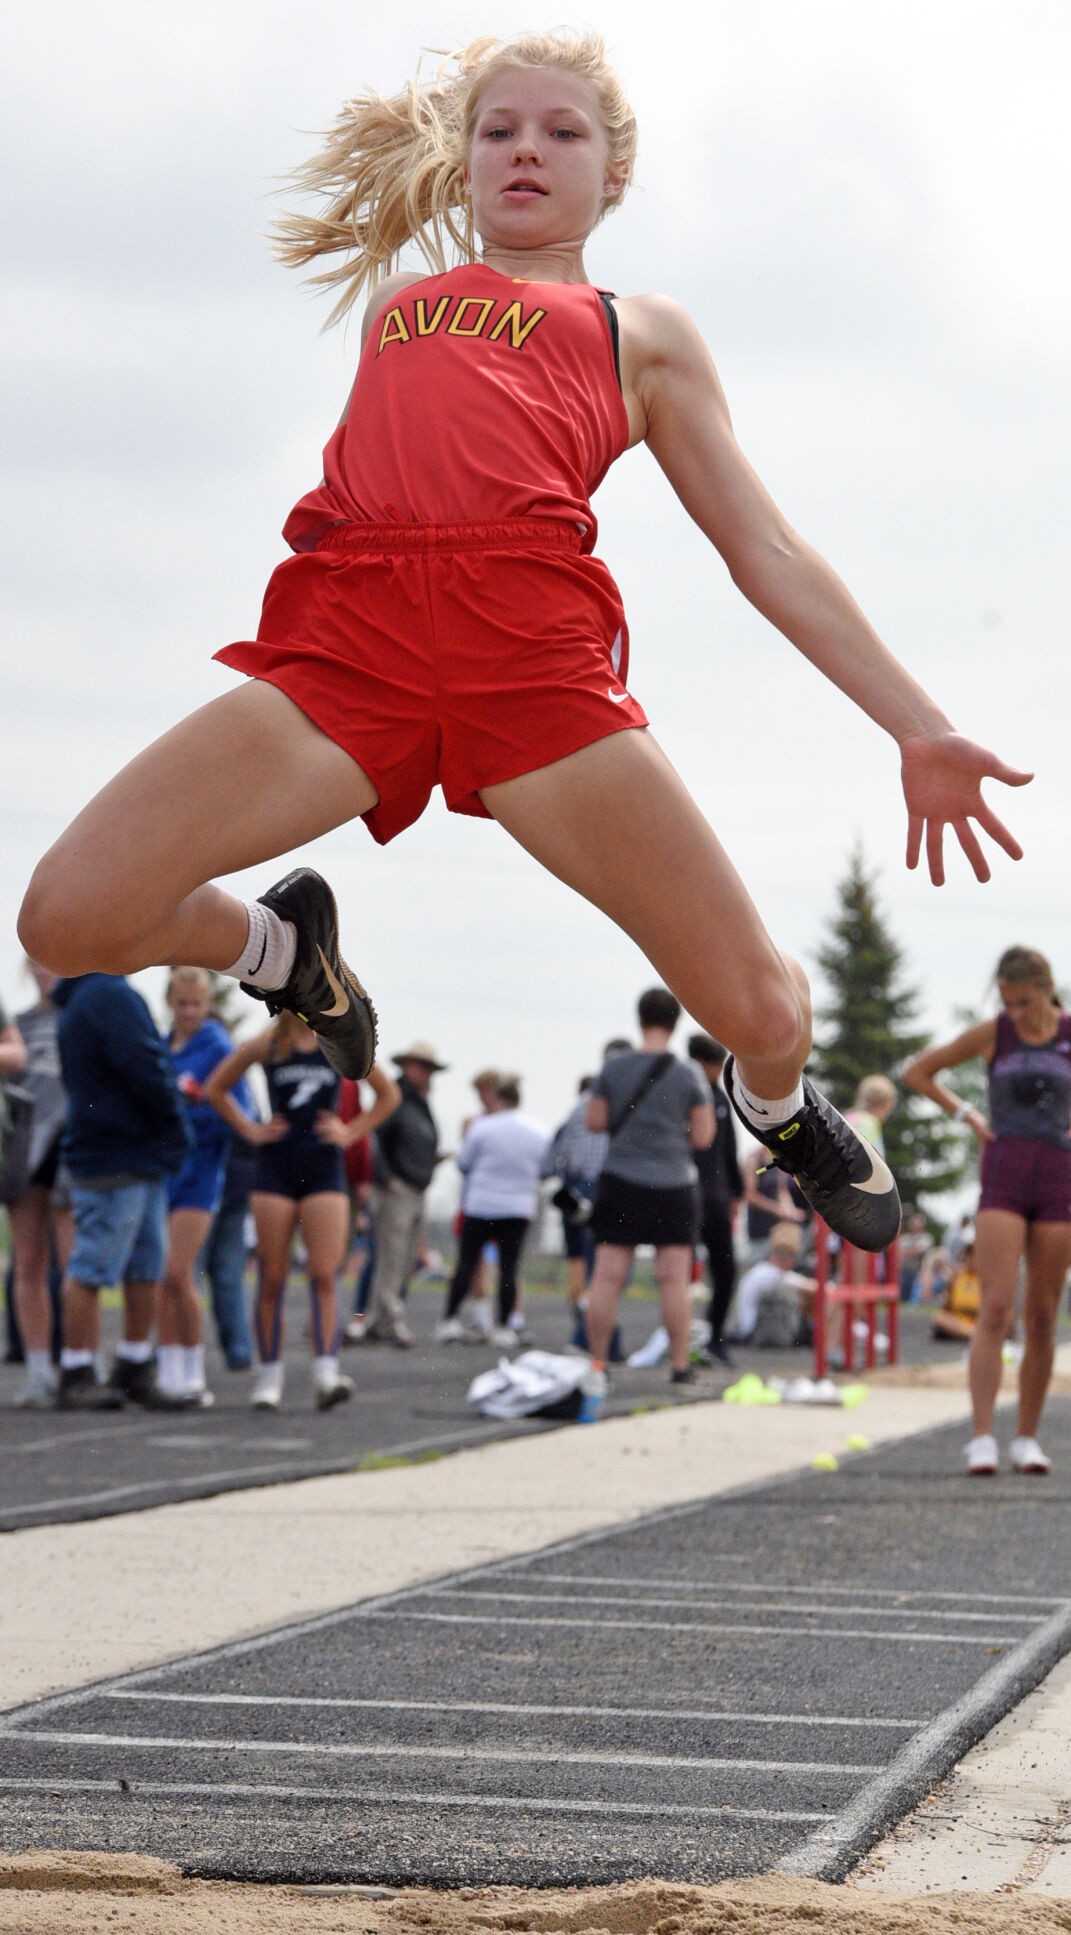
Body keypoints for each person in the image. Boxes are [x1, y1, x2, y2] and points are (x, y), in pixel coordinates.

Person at [20, 32, 1029, 1276]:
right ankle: (284, 953)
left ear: (616, 173)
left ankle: (773, 1109)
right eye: (498, 131)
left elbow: (763, 544)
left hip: (536, 673)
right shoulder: (402, 307)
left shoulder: (639, 328)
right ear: (462, 163)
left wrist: (916, 725)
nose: (526, 152)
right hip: (353, 648)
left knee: (766, 1013)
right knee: (66, 922)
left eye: (563, 132)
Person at [903, 946, 1071, 1476]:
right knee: (995, 1306)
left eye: (1023, 1001)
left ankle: (1025, 1438)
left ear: (1046, 989)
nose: (1016, 1012)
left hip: (1059, 1178)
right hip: (1005, 1173)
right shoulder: (993, 1033)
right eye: (1007, 1002)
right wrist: (969, 1115)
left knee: (1042, 1314)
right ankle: (980, 1437)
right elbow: (920, 1072)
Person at [204, 1013, 399, 1407]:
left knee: (325, 1275)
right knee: (271, 1278)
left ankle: (326, 1373)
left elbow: (388, 1094)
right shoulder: (267, 1043)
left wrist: (350, 1132)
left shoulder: (339, 1040)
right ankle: (269, 1376)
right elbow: (216, 1089)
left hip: (324, 1169)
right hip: (275, 1168)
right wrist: (252, 1129)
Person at [50, 973, 192, 1409]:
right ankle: (78, 1372)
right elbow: (143, 1062)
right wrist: (173, 1119)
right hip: (118, 1152)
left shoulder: (83, 998)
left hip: (126, 1152)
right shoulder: (110, 994)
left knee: (146, 1264)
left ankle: (133, 1367)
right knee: (94, 1263)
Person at [584, 987, 713, 1387]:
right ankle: (679, 1365)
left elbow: (595, 1120)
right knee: (674, 1279)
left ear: (639, 1019)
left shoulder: (614, 1068)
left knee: (607, 1277)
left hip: (621, 1179)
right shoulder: (689, 1074)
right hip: (672, 1183)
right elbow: (704, 1137)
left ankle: (598, 1365)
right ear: (675, 1024)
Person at [157, 967, 249, 1404]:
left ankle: (193, 1371)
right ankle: (168, 1371)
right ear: (170, 1004)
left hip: (201, 1171)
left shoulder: (218, 1047)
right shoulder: (161, 1048)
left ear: (209, 1004)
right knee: (161, 1277)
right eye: (182, 1004)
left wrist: (196, 1109)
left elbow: (238, 1110)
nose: (190, 1012)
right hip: (164, 1171)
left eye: (197, 1004)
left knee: (180, 1271)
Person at [438, 1077, 550, 1346]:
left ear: (498, 1099)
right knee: (509, 1268)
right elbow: (545, 1171)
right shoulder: (539, 1131)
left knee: (466, 1264)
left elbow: (464, 1163)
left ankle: (450, 1321)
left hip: (480, 1205)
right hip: (517, 1209)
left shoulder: (482, 1127)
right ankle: (503, 1326)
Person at [8, 965, 69, 1406]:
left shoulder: (80, 1013)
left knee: (74, 1263)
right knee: (29, 1259)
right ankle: (36, 1370)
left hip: (73, 1149)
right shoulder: (20, 1024)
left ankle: (81, 1362)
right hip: (26, 1149)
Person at [361, 1043, 446, 1346]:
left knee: (404, 1258)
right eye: (421, 1067)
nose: (425, 1074)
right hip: (397, 1189)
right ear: (407, 1066)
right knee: (391, 1257)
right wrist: (386, 1178)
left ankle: (381, 1318)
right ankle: (389, 1318)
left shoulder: (419, 1103)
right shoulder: (394, 1097)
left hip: (416, 1189)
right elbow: (375, 1137)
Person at [688, 1033, 744, 1366]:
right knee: (681, 1271)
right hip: (688, 1194)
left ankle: (716, 1338)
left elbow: (729, 1148)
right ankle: (679, 1338)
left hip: (718, 1197)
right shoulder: (683, 1093)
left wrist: (736, 1190)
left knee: (725, 1269)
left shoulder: (720, 1099)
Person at [727, 1221, 817, 1347]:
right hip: (755, 1332)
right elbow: (813, 1287)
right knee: (802, 1294)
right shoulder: (768, 1274)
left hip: (749, 1329)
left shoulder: (761, 1270)